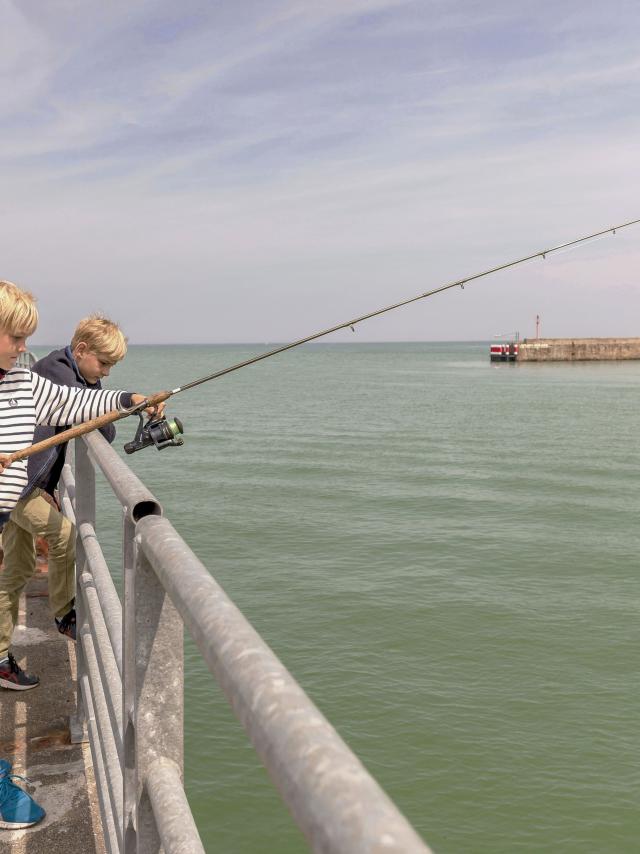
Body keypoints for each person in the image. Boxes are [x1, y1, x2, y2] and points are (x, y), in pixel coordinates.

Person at [0, 280, 161, 690]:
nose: (22, 348)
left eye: (25, 339)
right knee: (58, 542)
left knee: (13, 573)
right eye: (16, 337)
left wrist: (130, 401)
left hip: (10, 504)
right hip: (20, 496)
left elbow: (77, 405)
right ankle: (63, 613)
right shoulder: (44, 370)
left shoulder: (21, 382)